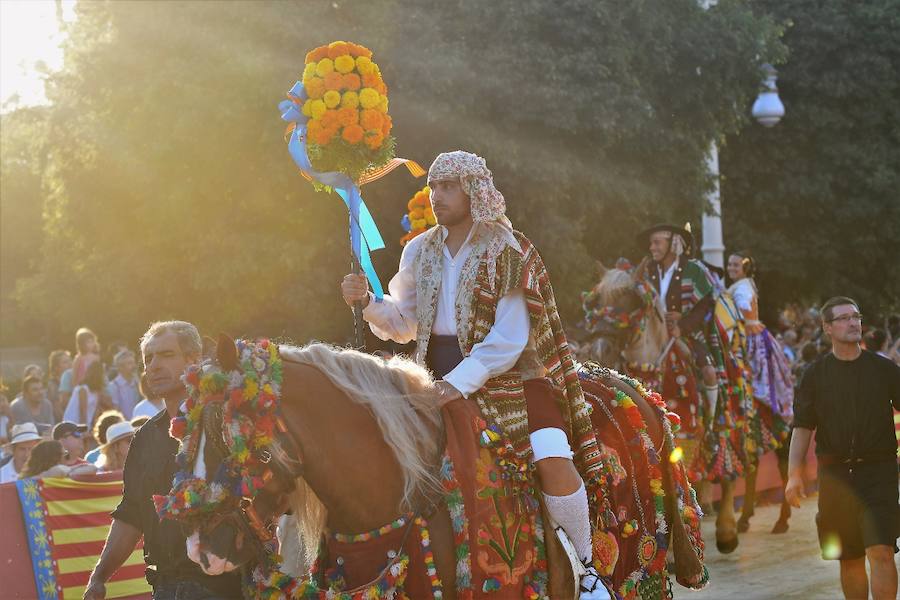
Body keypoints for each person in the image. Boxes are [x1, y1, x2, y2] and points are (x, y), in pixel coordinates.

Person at [342, 151, 608, 599]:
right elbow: (406, 325)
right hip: (429, 375)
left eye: (447, 187)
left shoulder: (507, 249)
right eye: (433, 187)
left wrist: (455, 384)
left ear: (474, 191)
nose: (436, 196)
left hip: (510, 379)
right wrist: (367, 301)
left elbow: (508, 338)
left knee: (552, 459)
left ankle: (586, 571)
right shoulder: (419, 249)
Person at [84, 320, 242, 600]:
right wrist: (99, 577)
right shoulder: (144, 438)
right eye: (148, 358)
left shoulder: (226, 422)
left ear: (195, 360)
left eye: (166, 355)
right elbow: (131, 513)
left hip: (226, 586)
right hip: (165, 587)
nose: (154, 365)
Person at [786, 296, 900, 600]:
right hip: (835, 476)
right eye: (844, 318)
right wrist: (793, 475)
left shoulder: (884, 369)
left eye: (856, 316)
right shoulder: (814, 375)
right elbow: (802, 427)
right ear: (827, 328)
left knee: (882, 550)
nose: (853, 323)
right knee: (849, 557)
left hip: (880, 472)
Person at [64, 360, 113, 430]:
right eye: (103, 374)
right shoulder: (83, 389)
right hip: (72, 425)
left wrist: (93, 429)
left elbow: (95, 412)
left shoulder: (97, 392)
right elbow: (82, 412)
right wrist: (83, 431)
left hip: (86, 425)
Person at [19, 439, 96, 479]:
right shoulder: (57, 471)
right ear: (55, 457)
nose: (66, 457)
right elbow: (58, 470)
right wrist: (70, 471)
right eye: (64, 454)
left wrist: (70, 470)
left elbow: (92, 468)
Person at [107, 349, 142, 419]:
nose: (134, 366)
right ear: (120, 367)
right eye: (129, 363)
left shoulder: (137, 383)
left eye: (133, 363)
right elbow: (115, 410)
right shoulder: (114, 386)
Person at [48, 349, 73, 421]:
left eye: (70, 360)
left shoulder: (74, 382)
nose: (70, 364)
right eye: (65, 362)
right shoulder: (53, 385)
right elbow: (57, 409)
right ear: (56, 367)